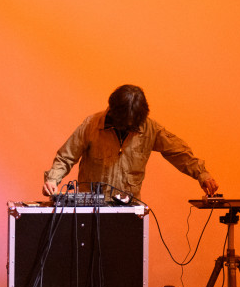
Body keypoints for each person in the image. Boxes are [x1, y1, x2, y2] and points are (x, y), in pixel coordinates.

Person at [43, 84, 219, 202]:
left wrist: (202, 174)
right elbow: (66, 157)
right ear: (113, 110)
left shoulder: (150, 128)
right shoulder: (91, 125)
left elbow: (178, 152)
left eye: (133, 122)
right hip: (92, 208)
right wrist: (53, 180)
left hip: (128, 209)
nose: (129, 125)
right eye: (125, 121)